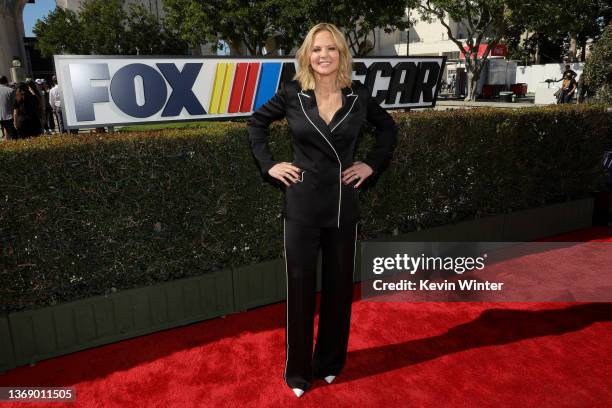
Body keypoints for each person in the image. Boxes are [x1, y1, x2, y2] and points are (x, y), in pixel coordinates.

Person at [247, 22, 397, 398]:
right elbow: (256, 124)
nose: (323, 55)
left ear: (341, 54)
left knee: (338, 288)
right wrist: (270, 166)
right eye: (316, 49)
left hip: (343, 206)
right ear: (307, 56)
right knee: (299, 290)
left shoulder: (358, 95)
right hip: (300, 205)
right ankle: (298, 373)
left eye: (331, 49)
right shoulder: (292, 94)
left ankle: (330, 362)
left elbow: (388, 129)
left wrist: (370, 164)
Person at [0, 75, 18, 140]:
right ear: (6, 81)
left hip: (1, 116)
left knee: (6, 135)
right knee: (15, 137)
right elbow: (15, 105)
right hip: (9, 117)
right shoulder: (11, 90)